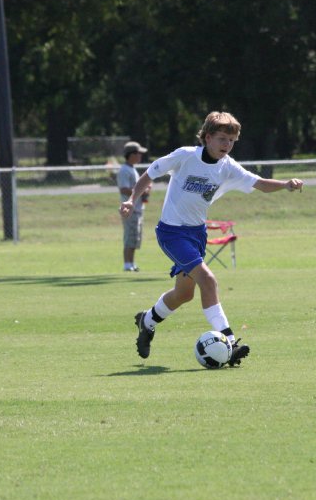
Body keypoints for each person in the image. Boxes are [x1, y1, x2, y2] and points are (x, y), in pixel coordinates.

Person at [119, 111, 303, 365]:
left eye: (231, 141)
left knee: (184, 294)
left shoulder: (227, 167)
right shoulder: (184, 156)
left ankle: (147, 321)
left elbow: (259, 183)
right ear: (207, 137)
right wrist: (130, 200)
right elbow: (149, 174)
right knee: (208, 280)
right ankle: (229, 340)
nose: (226, 145)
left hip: (196, 234)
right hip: (171, 233)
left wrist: (284, 184)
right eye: (221, 139)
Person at [117, 141, 149, 272]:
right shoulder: (124, 170)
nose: (140, 156)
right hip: (129, 210)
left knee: (135, 236)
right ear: (131, 154)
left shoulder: (132, 169)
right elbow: (124, 189)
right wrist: (140, 191)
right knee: (130, 236)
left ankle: (132, 263)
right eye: (138, 153)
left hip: (137, 209)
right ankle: (127, 264)